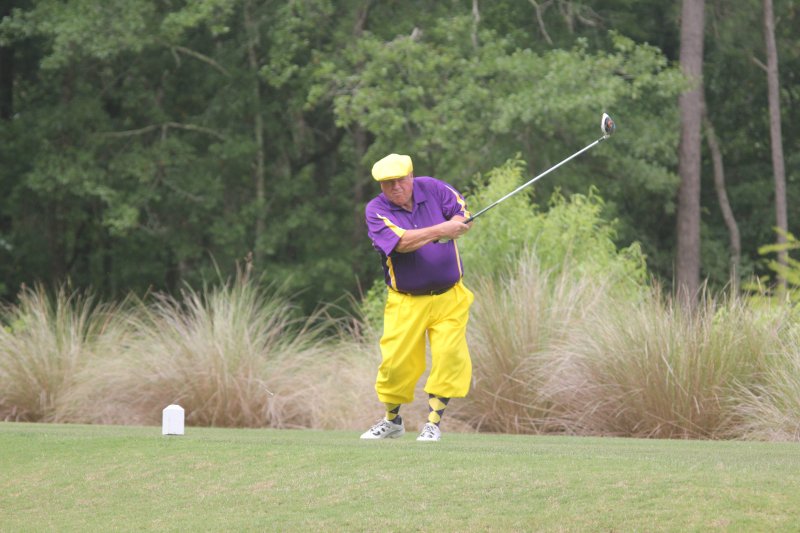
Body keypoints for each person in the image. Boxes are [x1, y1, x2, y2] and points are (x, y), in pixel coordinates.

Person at [360, 153, 475, 442]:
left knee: (449, 357)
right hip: (405, 300)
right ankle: (392, 421)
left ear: (411, 176)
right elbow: (401, 243)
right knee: (396, 364)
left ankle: (433, 423)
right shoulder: (376, 210)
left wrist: (458, 223)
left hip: (450, 296)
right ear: (380, 185)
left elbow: (461, 213)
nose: (395, 187)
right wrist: (442, 230)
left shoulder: (433, 188)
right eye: (388, 183)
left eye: (400, 180)